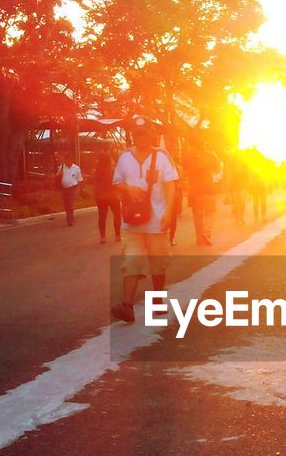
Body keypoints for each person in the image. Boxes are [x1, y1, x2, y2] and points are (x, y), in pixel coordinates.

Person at [110, 123, 178, 324]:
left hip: (156, 221)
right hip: (132, 222)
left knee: (158, 262)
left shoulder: (162, 156)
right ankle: (127, 306)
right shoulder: (125, 157)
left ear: (152, 136)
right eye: (137, 134)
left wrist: (168, 213)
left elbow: (170, 186)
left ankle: (157, 298)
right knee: (131, 261)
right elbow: (116, 183)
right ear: (133, 135)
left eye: (145, 134)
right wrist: (128, 189)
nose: (141, 138)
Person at [186, 143, 219, 246]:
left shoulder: (189, 156)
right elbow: (217, 169)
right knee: (210, 212)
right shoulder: (212, 155)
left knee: (197, 214)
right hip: (208, 188)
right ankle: (207, 234)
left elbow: (185, 170)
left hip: (194, 189)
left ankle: (199, 237)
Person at [93, 148, 121, 244]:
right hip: (113, 196)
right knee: (117, 216)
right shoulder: (113, 171)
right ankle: (117, 235)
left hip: (101, 197)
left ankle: (103, 237)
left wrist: (96, 196)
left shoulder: (97, 172)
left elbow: (95, 185)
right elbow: (118, 183)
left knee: (102, 217)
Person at [55, 149, 83, 226]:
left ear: (71, 159)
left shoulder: (76, 168)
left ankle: (69, 220)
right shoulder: (61, 167)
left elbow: (79, 179)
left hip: (73, 188)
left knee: (70, 204)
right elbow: (57, 177)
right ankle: (70, 217)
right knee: (66, 205)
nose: (67, 161)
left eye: (69, 159)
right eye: (66, 159)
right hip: (64, 189)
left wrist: (79, 190)